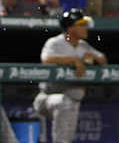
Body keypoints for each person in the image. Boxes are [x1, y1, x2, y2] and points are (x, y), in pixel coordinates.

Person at [33, 9, 108, 143]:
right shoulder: (55, 43)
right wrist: (73, 60)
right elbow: (46, 59)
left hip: (71, 97)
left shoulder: (83, 45)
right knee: (65, 102)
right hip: (47, 97)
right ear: (70, 28)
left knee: (71, 102)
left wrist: (94, 57)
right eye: (81, 24)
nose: (85, 28)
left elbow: (103, 60)